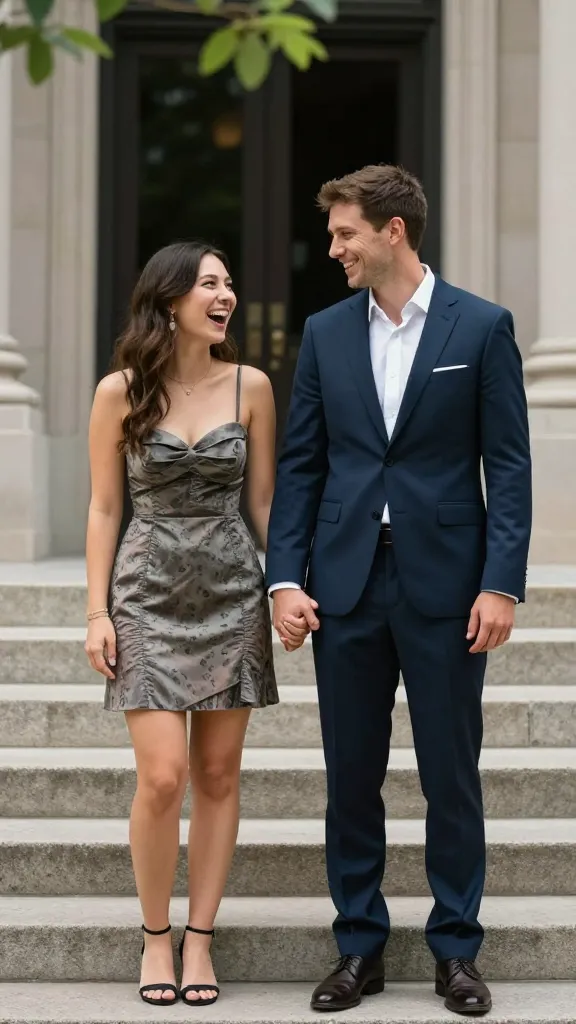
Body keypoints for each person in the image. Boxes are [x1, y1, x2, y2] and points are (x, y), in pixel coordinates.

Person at [266, 165, 532, 1016]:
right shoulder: (325, 332)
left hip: (449, 587)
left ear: (395, 231)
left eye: (346, 233)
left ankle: (457, 951)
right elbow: (303, 465)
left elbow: (510, 467)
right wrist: (283, 577)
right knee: (351, 775)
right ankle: (359, 949)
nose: (334, 248)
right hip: (343, 583)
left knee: (450, 774)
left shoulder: (482, 327)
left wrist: (501, 583)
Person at [85, 241, 304, 1007]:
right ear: (170, 298)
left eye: (229, 284)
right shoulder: (120, 391)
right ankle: (155, 937)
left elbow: (268, 502)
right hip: (145, 593)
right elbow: (106, 505)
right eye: (210, 284)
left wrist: (286, 585)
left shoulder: (252, 385)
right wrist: (95, 611)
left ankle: (201, 938)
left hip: (231, 592)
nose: (227, 296)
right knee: (162, 777)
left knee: (217, 775)